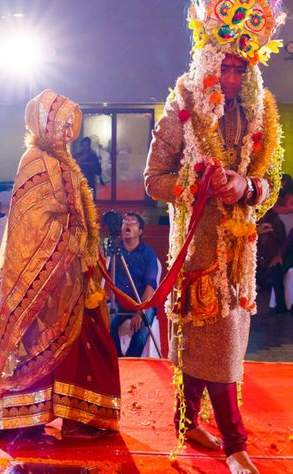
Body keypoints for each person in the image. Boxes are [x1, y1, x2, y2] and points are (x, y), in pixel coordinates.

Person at [144, 2, 285, 473]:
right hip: (195, 248)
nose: (229, 76)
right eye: (222, 66)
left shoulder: (259, 110)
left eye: (238, 67)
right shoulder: (181, 107)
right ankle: (233, 443)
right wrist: (195, 187)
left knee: (216, 342)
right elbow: (152, 181)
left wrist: (247, 187)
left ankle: (187, 425)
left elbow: (271, 185)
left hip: (240, 252)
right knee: (205, 341)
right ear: (208, 61)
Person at [0, 90, 120, 440]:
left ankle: (82, 417)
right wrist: (73, 240)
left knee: (88, 343)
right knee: (46, 345)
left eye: (71, 126)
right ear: (43, 125)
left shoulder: (62, 161)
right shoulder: (36, 162)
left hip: (76, 275)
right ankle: (28, 416)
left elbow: (74, 215)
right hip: (50, 279)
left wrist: (85, 248)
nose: (67, 133)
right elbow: (32, 226)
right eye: (61, 125)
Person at [109, 212, 158, 357]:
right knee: (104, 319)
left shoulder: (148, 253)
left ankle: (131, 360)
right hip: (119, 302)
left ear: (140, 231)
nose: (128, 223)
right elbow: (107, 280)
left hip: (142, 301)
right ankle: (116, 359)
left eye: (133, 221)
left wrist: (139, 311)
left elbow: (150, 285)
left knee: (143, 328)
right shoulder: (114, 252)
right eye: (125, 220)